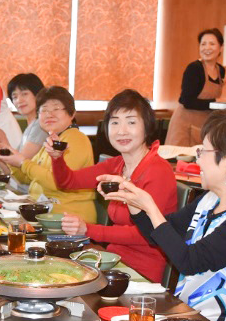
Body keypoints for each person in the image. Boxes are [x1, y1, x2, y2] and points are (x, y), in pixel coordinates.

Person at [100, 108, 226, 321]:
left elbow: (190, 262)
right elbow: (160, 235)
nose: (198, 158)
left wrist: (150, 207)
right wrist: (133, 203)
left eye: (203, 151)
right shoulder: (210, 199)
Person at [49, 89, 177, 282]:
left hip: (142, 271)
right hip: (111, 261)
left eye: (131, 122)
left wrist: (88, 230)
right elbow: (68, 181)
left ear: (147, 127)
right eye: (115, 122)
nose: (121, 131)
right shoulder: (116, 164)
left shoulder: (159, 170)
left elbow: (145, 234)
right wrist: (57, 158)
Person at [0, 86, 96, 223]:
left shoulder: (75, 139)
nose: (49, 114)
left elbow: (57, 182)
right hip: (47, 216)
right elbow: (25, 178)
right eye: (44, 110)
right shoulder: (52, 141)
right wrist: (11, 160)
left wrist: (23, 162)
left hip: (70, 220)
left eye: (56, 109)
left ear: (72, 113)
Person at [165, 28, 226, 147]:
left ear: (221, 48)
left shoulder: (221, 70)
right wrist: (215, 104)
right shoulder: (194, 69)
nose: (207, 48)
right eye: (203, 44)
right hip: (184, 125)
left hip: (203, 125)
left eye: (212, 44)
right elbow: (186, 101)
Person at [0, 73, 48, 193]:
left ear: (38, 94)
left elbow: (20, 165)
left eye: (24, 94)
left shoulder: (40, 125)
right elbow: (9, 170)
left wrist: (2, 140)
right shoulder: (31, 126)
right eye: (15, 96)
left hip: (32, 195)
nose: (19, 100)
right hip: (22, 190)